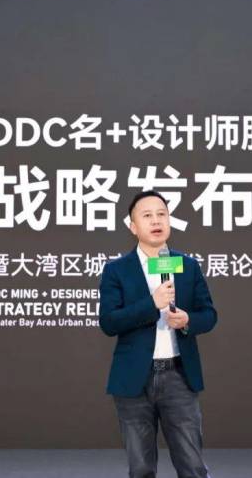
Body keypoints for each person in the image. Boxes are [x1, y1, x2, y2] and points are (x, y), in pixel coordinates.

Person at [99, 189, 218, 478]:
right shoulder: (117, 270)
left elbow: (209, 315)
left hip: (179, 376)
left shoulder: (187, 266)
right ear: (133, 226)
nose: (156, 220)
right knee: (141, 468)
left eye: (162, 214)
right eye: (147, 215)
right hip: (134, 380)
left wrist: (187, 320)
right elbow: (109, 322)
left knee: (192, 465)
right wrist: (151, 304)